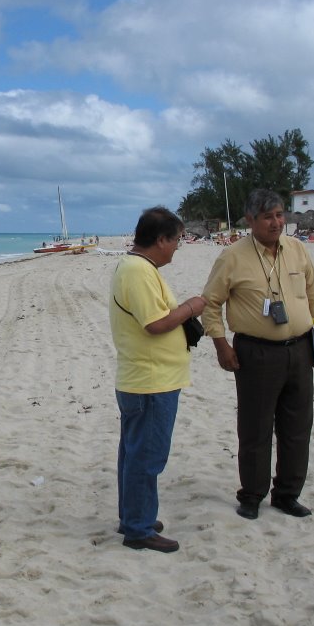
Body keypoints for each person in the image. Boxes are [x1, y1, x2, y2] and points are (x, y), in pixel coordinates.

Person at [201, 188, 314, 521]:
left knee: (297, 427)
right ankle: (252, 495)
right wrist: (221, 344)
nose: (277, 222)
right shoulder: (232, 257)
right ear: (250, 220)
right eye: (269, 216)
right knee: (255, 428)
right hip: (255, 353)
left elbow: (313, 294)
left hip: (299, 350)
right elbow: (210, 304)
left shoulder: (298, 250)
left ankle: (287, 494)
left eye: (280, 215)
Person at [110, 206, 206, 553]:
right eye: (177, 239)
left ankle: (134, 516)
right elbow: (156, 324)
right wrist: (192, 307)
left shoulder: (137, 267)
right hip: (150, 381)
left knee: (135, 453)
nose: (178, 246)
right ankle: (137, 527)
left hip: (148, 377)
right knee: (146, 456)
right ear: (161, 239)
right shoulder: (137, 270)